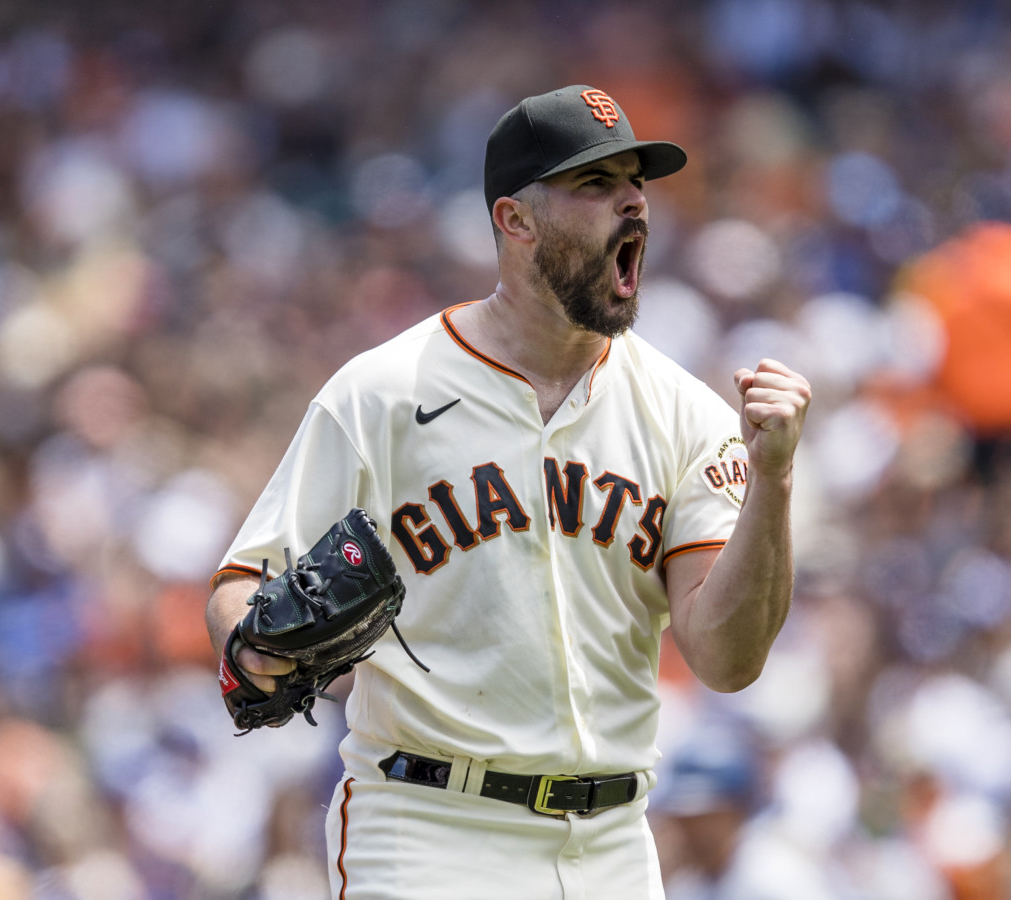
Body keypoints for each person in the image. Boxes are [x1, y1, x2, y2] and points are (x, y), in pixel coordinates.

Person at [204, 84, 810, 900]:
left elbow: (729, 660)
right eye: (595, 184)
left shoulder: (685, 414)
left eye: (636, 182)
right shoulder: (383, 392)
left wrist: (772, 482)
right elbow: (243, 586)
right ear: (515, 220)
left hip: (613, 843)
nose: (632, 201)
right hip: (429, 830)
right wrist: (254, 647)